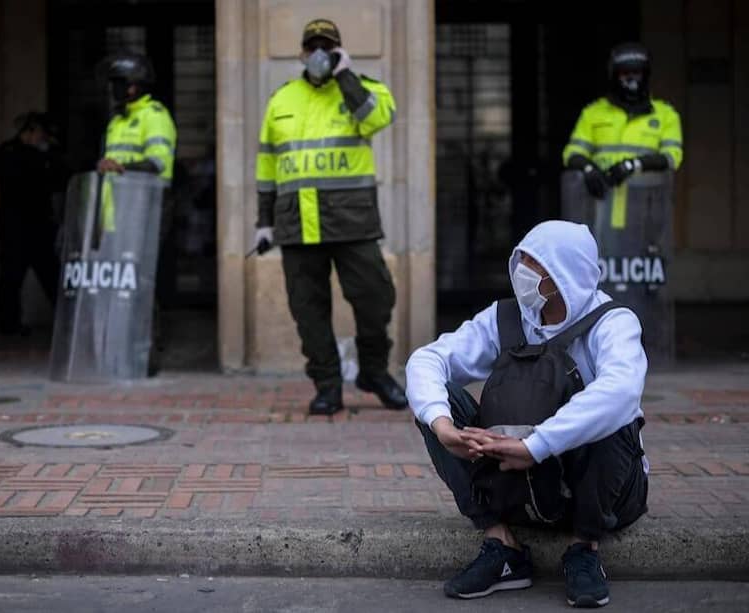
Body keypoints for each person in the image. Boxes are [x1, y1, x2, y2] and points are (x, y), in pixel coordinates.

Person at [406, 220, 649, 608]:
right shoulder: (505, 319)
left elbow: (620, 390)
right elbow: (428, 359)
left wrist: (537, 445)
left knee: (612, 411)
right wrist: (443, 425)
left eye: (533, 263)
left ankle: (584, 550)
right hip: (519, 482)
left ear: (561, 274)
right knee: (438, 399)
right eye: (521, 258)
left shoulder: (613, 322)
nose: (522, 270)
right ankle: (501, 544)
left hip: (601, 489)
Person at [254, 18, 406, 415]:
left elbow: (378, 119)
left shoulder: (364, 90)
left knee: (376, 298)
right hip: (296, 223)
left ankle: (373, 371)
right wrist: (263, 222)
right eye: (313, 46)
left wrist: (345, 75)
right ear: (302, 53)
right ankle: (327, 385)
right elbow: (267, 167)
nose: (319, 52)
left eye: (328, 46)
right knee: (308, 310)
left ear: (339, 51)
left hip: (352, 221)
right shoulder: (281, 99)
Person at [96, 53, 177, 373]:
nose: (112, 90)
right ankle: (118, 353)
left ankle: (145, 357)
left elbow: (159, 164)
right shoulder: (117, 120)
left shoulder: (154, 116)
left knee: (140, 286)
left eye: (117, 84)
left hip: (144, 214)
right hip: (117, 216)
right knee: (119, 287)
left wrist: (121, 167)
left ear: (132, 87)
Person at [563, 42, 683, 199]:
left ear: (646, 75)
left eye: (637, 73)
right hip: (601, 201)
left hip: (646, 203)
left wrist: (634, 165)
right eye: (625, 73)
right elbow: (572, 153)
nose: (632, 79)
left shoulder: (666, 114)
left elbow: (672, 157)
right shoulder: (593, 113)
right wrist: (588, 169)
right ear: (614, 76)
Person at [0, 111, 67, 335]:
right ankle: (9, 324)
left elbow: (59, 178)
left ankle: (67, 322)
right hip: (17, 225)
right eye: (40, 134)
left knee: (52, 276)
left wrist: (49, 155)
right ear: (30, 132)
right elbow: (20, 180)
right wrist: (42, 157)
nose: (42, 140)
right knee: (11, 277)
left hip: (39, 224)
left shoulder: (41, 156)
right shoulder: (9, 152)